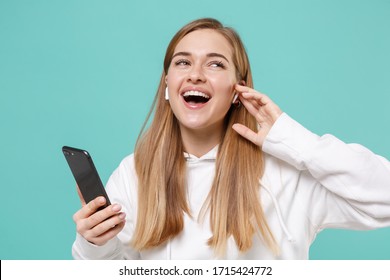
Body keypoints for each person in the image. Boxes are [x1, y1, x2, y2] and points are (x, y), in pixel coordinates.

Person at [72, 18, 390, 259]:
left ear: (238, 90)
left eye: (215, 63)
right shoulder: (134, 174)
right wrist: (95, 244)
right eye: (182, 62)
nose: (195, 73)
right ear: (167, 85)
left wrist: (291, 138)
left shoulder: (288, 173)